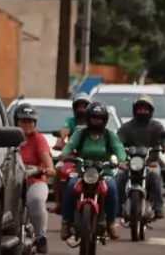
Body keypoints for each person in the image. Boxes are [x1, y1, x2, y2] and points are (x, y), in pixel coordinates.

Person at [59, 101, 126, 241]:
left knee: (112, 188)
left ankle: (111, 222)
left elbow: (119, 148)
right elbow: (70, 145)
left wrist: (121, 160)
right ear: (88, 118)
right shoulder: (80, 133)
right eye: (93, 117)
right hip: (82, 171)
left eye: (99, 118)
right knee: (71, 186)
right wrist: (65, 154)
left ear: (104, 119)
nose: (96, 121)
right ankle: (66, 222)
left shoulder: (109, 135)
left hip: (104, 172)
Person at [115, 94, 165, 219]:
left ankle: (158, 207)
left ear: (150, 111)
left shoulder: (157, 126)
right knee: (119, 177)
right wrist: (116, 148)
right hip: (131, 162)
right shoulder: (127, 127)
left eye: (145, 109)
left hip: (151, 163)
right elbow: (117, 141)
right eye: (140, 109)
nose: (142, 111)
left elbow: (164, 138)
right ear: (135, 110)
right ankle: (117, 207)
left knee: (156, 176)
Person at [13, 102, 54, 255]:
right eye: (23, 120)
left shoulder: (39, 139)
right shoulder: (10, 138)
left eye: (30, 121)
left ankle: (40, 237)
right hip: (12, 181)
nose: (27, 124)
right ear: (16, 121)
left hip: (35, 181)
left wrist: (47, 168)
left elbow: (46, 159)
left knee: (36, 199)